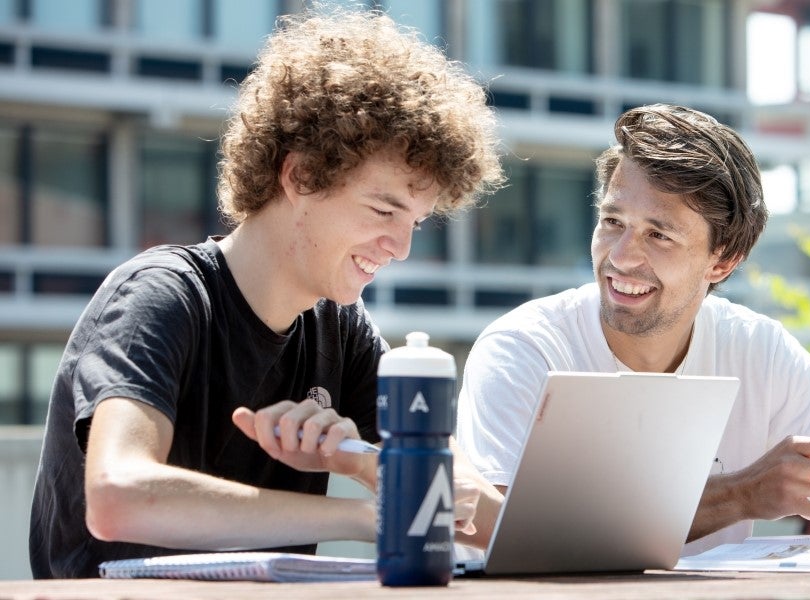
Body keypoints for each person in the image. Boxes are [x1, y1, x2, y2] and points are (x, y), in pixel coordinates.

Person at [28, 8, 504, 579]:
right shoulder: (162, 297)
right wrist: (365, 516)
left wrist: (359, 461)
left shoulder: (343, 331)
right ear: (300, 176)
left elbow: (475, 513)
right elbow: (119, 496)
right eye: (383, 210)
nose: (400, 247)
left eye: (417, 223)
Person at [455, 104, 810, 555]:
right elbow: (506, 533)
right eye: (612, 221)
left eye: (659, 234)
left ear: (723, 260)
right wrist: (739, 495)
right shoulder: (523, 348)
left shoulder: (759, 351)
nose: (622, 257)